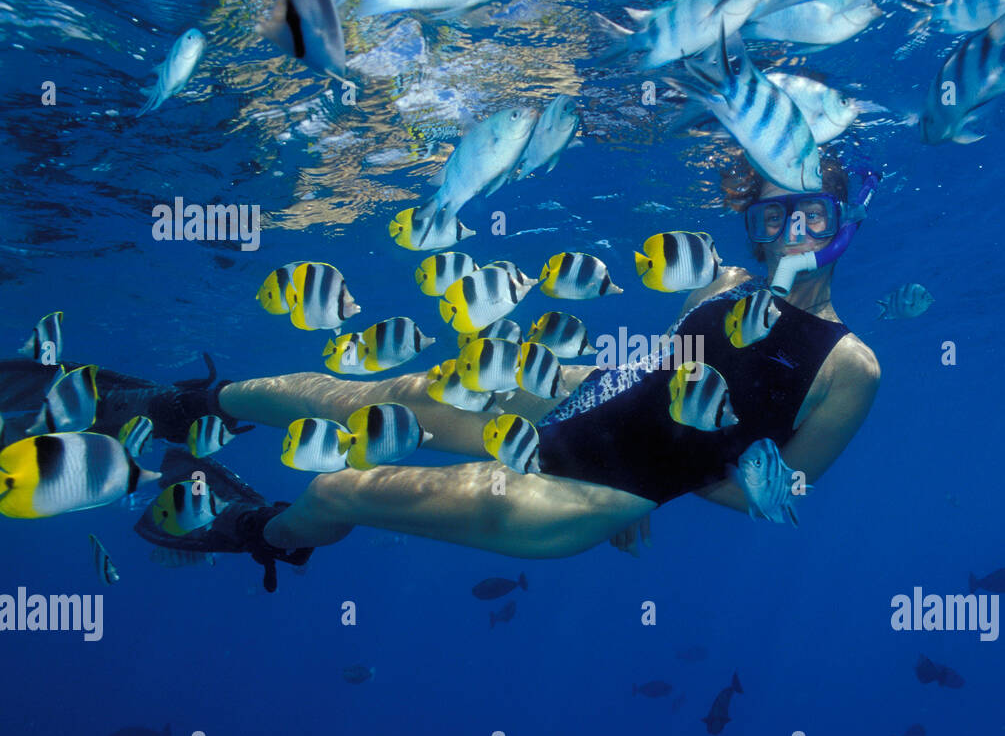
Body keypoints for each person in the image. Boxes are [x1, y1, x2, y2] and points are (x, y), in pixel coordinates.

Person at [0, 157, 881, 590]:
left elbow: (779, 491)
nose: (792, 232)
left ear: (842, 222)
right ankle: (171, 403)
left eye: (813, 213)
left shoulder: (850, 366)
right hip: (559, 417)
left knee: (344, 484)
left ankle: (263, 534)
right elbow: (650, 373)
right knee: (351, 394)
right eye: (774, 215)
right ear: (754, 227)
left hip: (579, 498)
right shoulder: (721, 282)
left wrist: (654, 482)